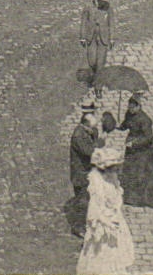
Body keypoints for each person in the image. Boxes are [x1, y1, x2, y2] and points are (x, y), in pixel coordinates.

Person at [78, 140, 137, 275]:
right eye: (115, 167)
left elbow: (116, 195)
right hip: (104, 224)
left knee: (118, 252)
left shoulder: (112, 177)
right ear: (107, 168)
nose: (118, 170)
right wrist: (106, 222)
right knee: (102, 255)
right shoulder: (97, 184)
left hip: (115, 219)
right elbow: (94, 211)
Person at [119, 93, 153, 208]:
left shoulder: (145, 120)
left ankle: (146, 200)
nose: (131, 110)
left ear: (139, 106)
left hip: (144, 151)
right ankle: (131, 199)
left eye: (133, 108)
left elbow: (148, 138)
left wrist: (134, 143)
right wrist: (119, 126)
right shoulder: (129, 114)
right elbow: (126, 124)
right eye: (129, 107)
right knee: (130, 172)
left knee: (142, 174)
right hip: (132, 150)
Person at [67, 101, 99, 238]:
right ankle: (78, 227)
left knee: (87, 199)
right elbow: (89, 152)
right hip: (81, 173)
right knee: (82, 201)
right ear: (85, 124)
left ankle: (85, 223)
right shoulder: (79, 136)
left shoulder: (88, 131)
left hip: (87, 172)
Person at [80, 0, 113, 87]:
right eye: (102, 0)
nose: (104, 3)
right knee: (92, 60)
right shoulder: (88, 7)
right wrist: (82, 37)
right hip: (91, 38)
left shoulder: (108, 8)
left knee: (101, 61)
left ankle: (98, 84)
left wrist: (111, 38)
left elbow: (111, 24)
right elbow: (83, 22)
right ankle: (94, 74)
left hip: (103, 38)